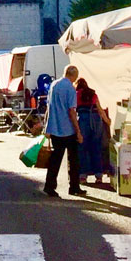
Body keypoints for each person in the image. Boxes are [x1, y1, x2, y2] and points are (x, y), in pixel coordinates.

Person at [43, 65, 85, 199]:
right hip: (68, 129)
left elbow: (48, 106)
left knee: (55, 159)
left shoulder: (54, 85)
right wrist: (78, 131)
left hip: (55, 127)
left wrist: (47, 126)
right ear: (74, 76)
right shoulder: (71, 89)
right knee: (73, 159)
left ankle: (49, 186)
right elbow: (72, 111)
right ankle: (74, 187)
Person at [75, 78, 106, 186]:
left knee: (82, 148)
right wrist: (107, 121)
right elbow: (100, 109)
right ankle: (99, 176)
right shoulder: (93, 94)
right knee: (96, 147)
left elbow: (73, 110)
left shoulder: (76, 94)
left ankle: (83, 176)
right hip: (95, 120)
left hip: (82, 120)